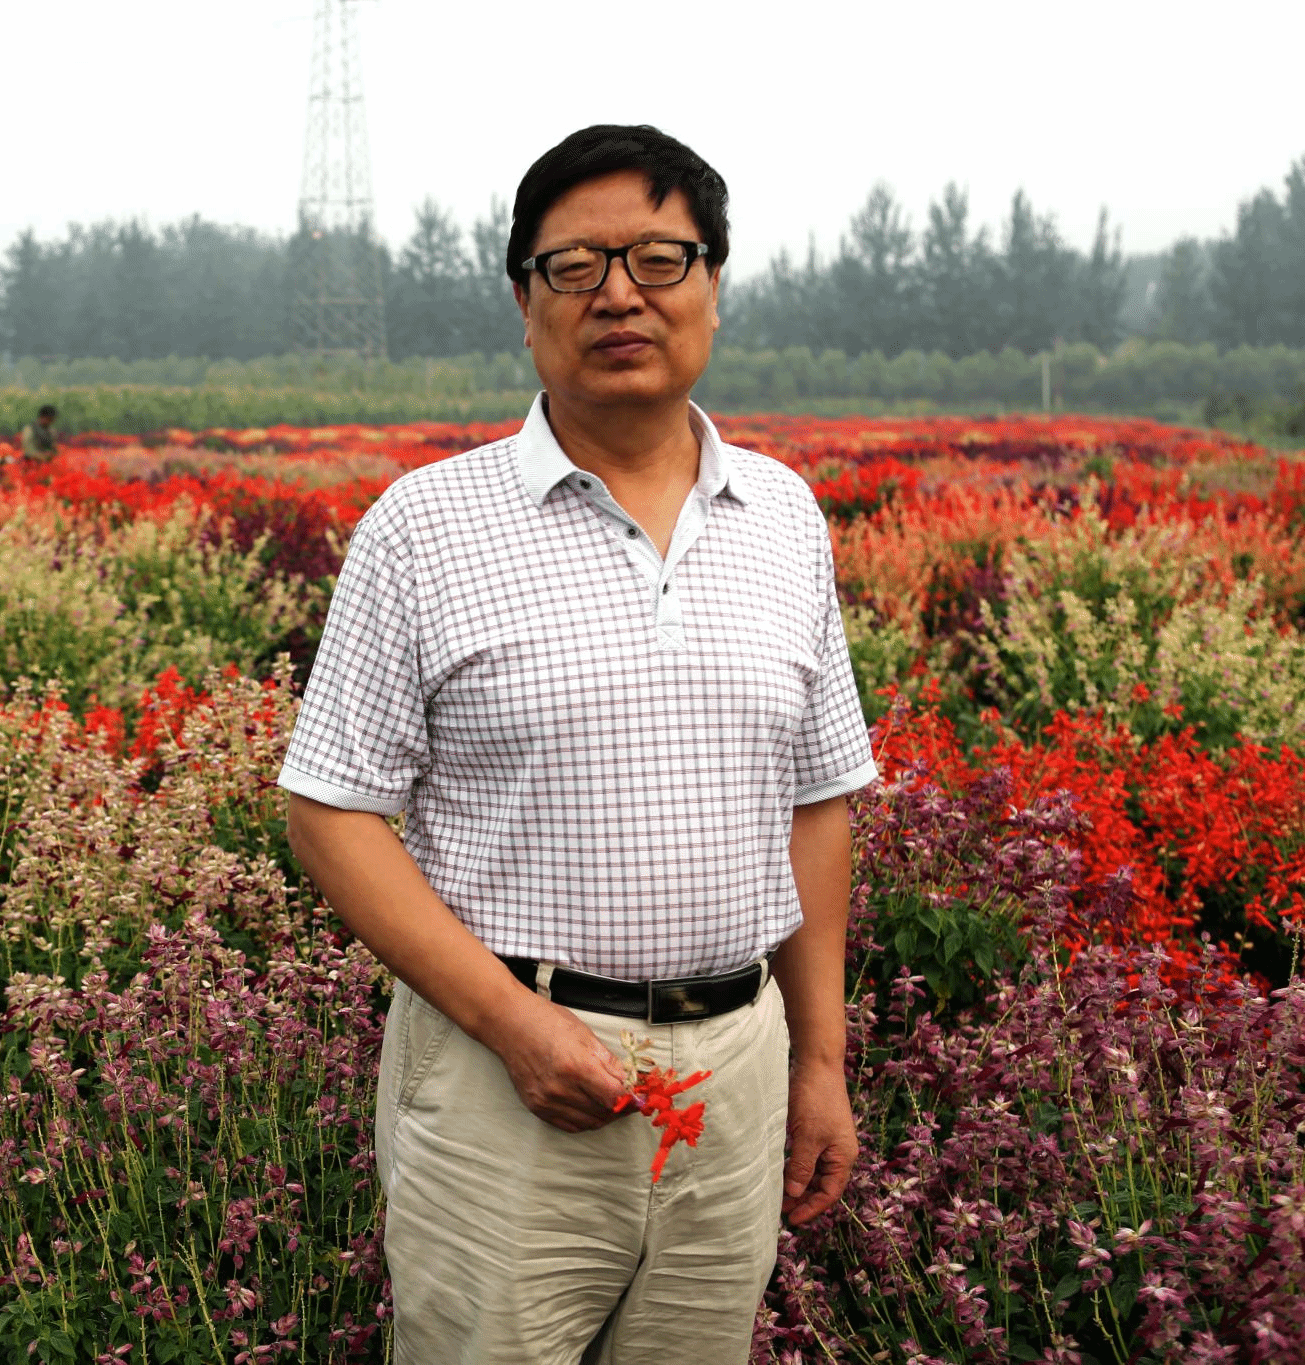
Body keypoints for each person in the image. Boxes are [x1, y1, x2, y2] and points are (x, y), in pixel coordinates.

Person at [279, 124, 876, 1364]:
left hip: (734, 1070)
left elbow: (816, 800)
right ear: (522, 301)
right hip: (505, 1082)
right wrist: (510, 1025)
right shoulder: (425, 527)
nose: (617, 295)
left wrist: (817, 1062)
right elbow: (330, 810)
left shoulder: (781, 517)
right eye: (573, 267)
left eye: (659, 259)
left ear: (712, 283)